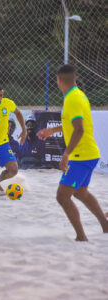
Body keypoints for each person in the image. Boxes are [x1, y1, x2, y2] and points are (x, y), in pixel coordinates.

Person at [37, 64, 108, 241]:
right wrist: (51, 131)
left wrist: (66, 154)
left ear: (58, 80)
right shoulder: (77, 95)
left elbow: (79, 130)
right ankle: (105, 226)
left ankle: (81, 237)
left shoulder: (73, 98)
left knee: (62, 196)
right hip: (87, 154)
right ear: (74, 79)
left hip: (81, 156)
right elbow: (72, 125)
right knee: (80, 192)